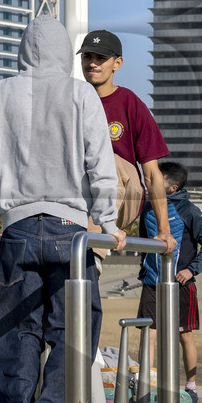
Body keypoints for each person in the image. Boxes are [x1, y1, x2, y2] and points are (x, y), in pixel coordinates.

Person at [0, 16, 124, 403]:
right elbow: (100, 164)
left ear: (23, 50)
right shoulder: (81, 95)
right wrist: (107, 222)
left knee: (16, 329)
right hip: (70, 229)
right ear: (63, 52)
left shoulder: (2, 92)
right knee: (75, 330)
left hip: (16, 226)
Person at [78, 29, 175, 254]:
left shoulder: (129, 103)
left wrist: (164, 230)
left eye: (100, 58)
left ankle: (93, 257)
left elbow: (151, 174)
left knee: (106, 160)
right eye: (87, 57)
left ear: (117, 63)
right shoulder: (72, 101)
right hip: (82, 192)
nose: (92, 63)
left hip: (125, 192)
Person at [137, 160, 202, 399]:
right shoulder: (146, 207)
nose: (150, 182)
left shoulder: (188, 210)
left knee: (184, 335)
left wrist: (192, 270)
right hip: (152, 282)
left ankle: (191, 386)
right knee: (147, 333)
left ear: (172, 188)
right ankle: (146, 387)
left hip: (181, 284)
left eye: (157, 180)